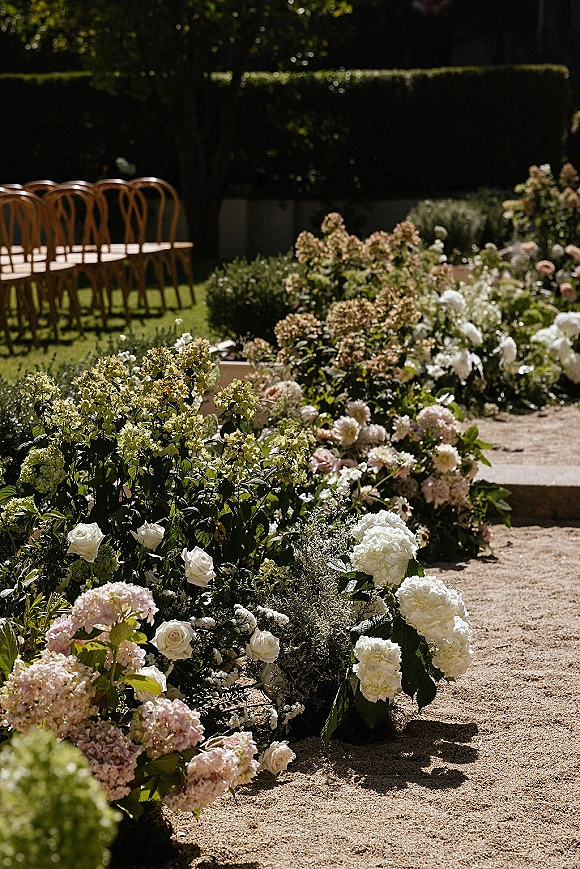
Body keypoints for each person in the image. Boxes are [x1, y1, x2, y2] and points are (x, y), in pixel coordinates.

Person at [409, 0, 454, 67]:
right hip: (420, 24)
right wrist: (420, 7)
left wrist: (440, 6)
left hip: (441, 23)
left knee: (440, 56)